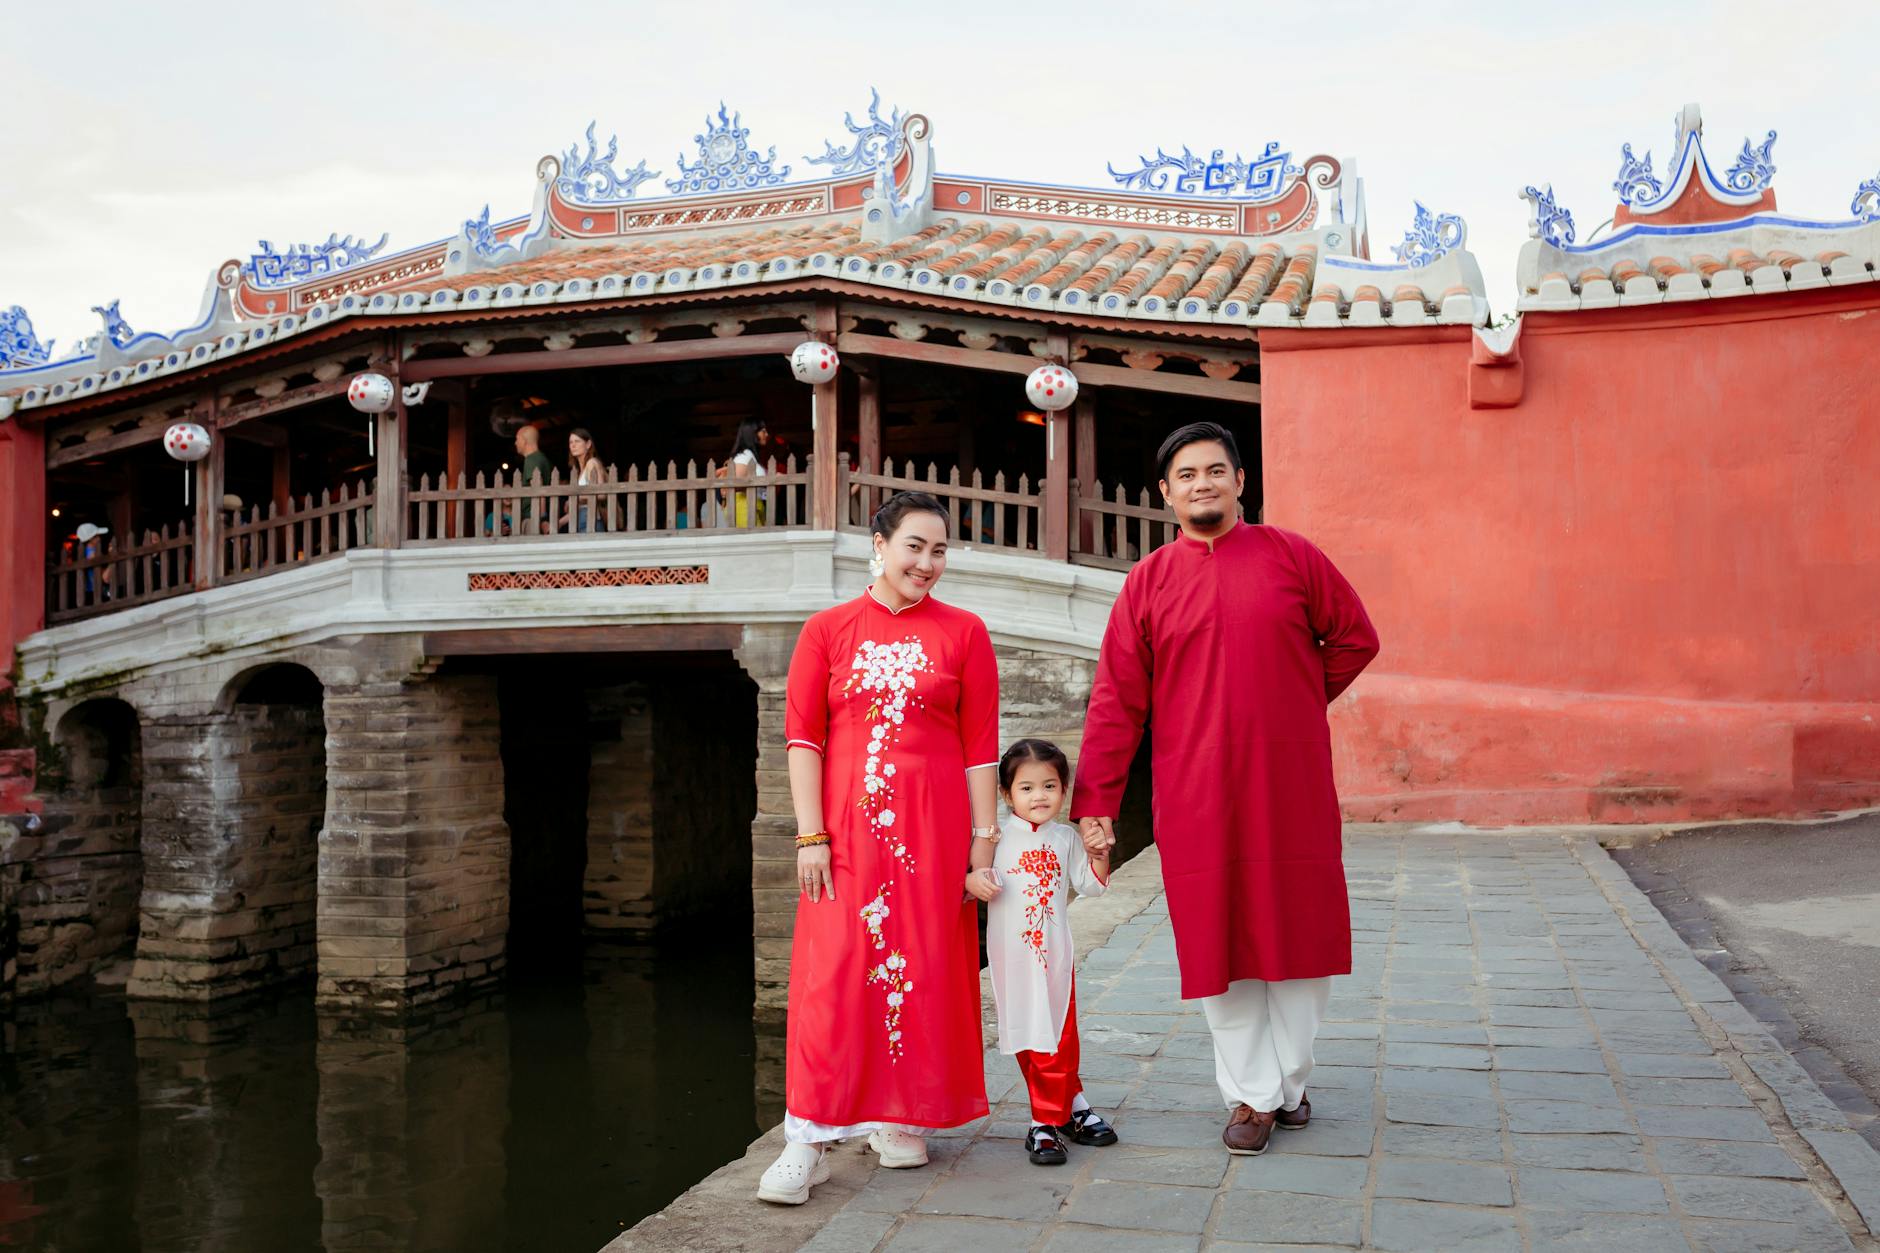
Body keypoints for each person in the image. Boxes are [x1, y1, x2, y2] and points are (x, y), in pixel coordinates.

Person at [1071, 421, 1379, 1159]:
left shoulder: (1292, 557)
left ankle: (1289, 1084)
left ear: (1241, 481)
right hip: (1196, 790)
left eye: (1215, 470)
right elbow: (1119, 700)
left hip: (1290, 782)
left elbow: (1355, 637)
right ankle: (1250, 1094)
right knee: (1220, 939)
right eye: (1186, 474)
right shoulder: (1148, 582)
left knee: (1299, 936)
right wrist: (1096, 804)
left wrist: (1298, 701)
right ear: (1166, 492)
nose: (1201, 483)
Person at [757, 490, 1000, 1205]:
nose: (928, 562)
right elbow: (803, 738)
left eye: (940, 550)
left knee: (921, 969)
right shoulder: (828, 630)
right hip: (848, 836)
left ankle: (899, 1116)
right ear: (879, 544)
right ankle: (808, 1138)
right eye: (915, 546)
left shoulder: (965, 632)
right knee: (832, 975)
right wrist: (811, 834)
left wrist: (982, 846)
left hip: (934, 836)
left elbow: (980, 750)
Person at [968, 738, 1117, 1167]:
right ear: (1006, 794)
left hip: (1054, 954)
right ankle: (1072, 1108)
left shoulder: (1066, 838)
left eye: (1049, 786)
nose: (1039, 797)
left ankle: (1045, 1122)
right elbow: (970, 877)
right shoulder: (994, 837)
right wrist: (974, 881)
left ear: (1064, 790)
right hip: (1011, 955)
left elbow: (1090, 885)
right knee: (1027, 1033)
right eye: (1027, 788)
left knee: (1058, 1033)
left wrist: (1098, 855)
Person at [726, 417, 769, 528]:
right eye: (763, 431)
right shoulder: (744, 457)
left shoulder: (750, 456)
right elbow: (736, 485)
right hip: (744, 508)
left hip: (752, 507)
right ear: (752, 433)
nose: (767, 434)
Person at [565, 427, 607, 532]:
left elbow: (602, 494)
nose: (573, 445)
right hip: (581, 518)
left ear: (588, 444)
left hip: (590, 518)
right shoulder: (580, 472)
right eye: (571, 442)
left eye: (577, 441)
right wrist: (560, 521)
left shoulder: (591, 462)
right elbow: (581, 505)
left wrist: (575, 497)